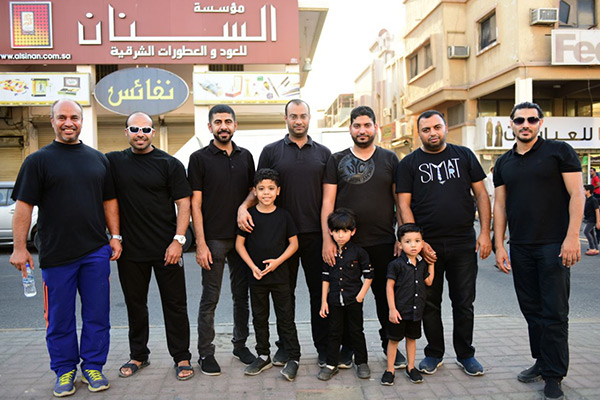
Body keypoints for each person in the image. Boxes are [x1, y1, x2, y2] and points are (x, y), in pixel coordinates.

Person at [9, 99, 121, 397]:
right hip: (56, 254)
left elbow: (109, 200)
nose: (68, 122)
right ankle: (64, 370)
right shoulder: (37, 161)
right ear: (52, 121)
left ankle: (93, 367)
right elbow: (23, 206)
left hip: (95, 251)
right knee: (59, 318)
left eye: (74, 117)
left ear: (81, 121)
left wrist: (115, 236)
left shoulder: (98, 159)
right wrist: (19, 248)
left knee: (98, 315)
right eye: (62, 117)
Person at [494, 101, 584, 400]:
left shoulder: (559, 151)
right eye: (520, 120)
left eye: (532, 120)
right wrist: (499, 245)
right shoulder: (504, 162)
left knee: (554, 312)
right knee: (532, 310)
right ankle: (542, 361)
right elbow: (500, 205)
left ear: (540, 123)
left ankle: (554, 375)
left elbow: (577, 194)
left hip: (554, 245)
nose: (525, 125)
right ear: (511, 124)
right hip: (520, 246)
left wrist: (572, 237)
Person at [396, 110, 492, 377]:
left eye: (437, 127)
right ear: (419, 133)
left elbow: (481, 195)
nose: (432, 133)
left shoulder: (464, 155)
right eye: (426, 129)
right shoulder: (409, 163)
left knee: (464, 302)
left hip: (463, 241)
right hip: (428, 245)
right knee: (429, 302)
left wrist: (485, 233)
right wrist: (418, 242)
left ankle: (466, 354)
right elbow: (403, 205)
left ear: (445, 127)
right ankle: (434, 353)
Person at [238, 99, 331, 366]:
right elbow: (258, 188)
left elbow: (330, 197)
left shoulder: (324, 154)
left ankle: (323, 347)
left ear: (310, 118)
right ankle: (285, 347)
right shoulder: (270, 151)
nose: (298, 121)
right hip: (281, 237)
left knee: (319, 293)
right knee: (283, 296)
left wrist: (329, 236)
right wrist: (243, 207)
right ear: (286, 118)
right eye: (293, 116)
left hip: (315, 235)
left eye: (303, 116)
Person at [106, 111, 194, 382]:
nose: (140, 134)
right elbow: (109, 200)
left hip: (167, 249)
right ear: (126, 132)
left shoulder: (169, 164)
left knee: (175, 304)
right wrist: (115, 236)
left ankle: (181, 356)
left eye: (145, 129)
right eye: (134, 129)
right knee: (135, 304)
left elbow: (184, 204)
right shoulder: (113, 162)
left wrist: (178, 241)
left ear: (153, 133)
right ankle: (138, 355)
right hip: (130, 251)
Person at [321, 105, 406, 369]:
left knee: (384, 296)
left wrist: (402, 237)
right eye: (357, 125)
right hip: (346, 243)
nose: (362, 130)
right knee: (345, 299)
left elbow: (400, 201)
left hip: (383, 241)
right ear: (350, 128)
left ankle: (390, 344)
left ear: (375, 127)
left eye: (367, 125)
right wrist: (327, 239)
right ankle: (348, 347)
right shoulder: (336, 159)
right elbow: (328, 202)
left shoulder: (390, 159)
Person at [188, 104, 256, 375]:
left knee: (242, 296)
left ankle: (240, 345)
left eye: (228, 121)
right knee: (210, 299)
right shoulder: (198, 158)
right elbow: (195, 204)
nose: (223, 126)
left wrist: (243, 207)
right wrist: (200, 243)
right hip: (213, 240)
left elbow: (254, 192)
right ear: (210, 127)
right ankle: (206, 353)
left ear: (235, 125)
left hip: (243, 239)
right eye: (218, 122)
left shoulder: (246, 156)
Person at [236, 168, 302, 381]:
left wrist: (277, 263)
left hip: (280, 276)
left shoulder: (284, 216)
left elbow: (294, 244)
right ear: (254, 191)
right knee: (259, 317)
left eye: (271, 188)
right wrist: (252, 267)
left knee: (286, 317)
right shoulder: (249, 217)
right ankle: (263, 355)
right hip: (257, 277)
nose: (266, 193)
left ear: (278, 191)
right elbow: (239, 245)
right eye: (262, 188)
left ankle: (294, 357)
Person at [318, 208, 373, 381]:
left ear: (352, 231)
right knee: (334, 332)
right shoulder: (330, 253)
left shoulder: (359, 252)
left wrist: (360, 296)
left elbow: (369, 276)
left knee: (356, 331)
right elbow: (325, 278)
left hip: (353, 299)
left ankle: (362, 362)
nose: (340, 235)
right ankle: (331, 364)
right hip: (334, 300)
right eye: (337, 231)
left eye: (345, 231)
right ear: (330, 232)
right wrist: (324, 301)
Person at [381, 224, 434, 386]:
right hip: (399, 311)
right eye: (408, 241)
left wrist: (432, 263)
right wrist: (392, 309)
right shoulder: (396, 265)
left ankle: (411, 367)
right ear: (400, 244)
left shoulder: (422, 264)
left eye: (417, 241)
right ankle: (390, 370)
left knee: (412, 339)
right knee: (393, 340)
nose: (413, 245)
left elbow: (429, 281)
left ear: (422, 243)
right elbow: (389, 286)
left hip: (415, 311)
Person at [583, 184, 600, 255]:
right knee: (591, 233)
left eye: (584, 190)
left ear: (588, 191)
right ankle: (596, 248)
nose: (583, 191)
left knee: (586, 232)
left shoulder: (593, 199)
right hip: (588, 218)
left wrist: (598, 222)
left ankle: (592, 248)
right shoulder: (587, 199)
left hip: (592, 219)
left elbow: (597, 210)